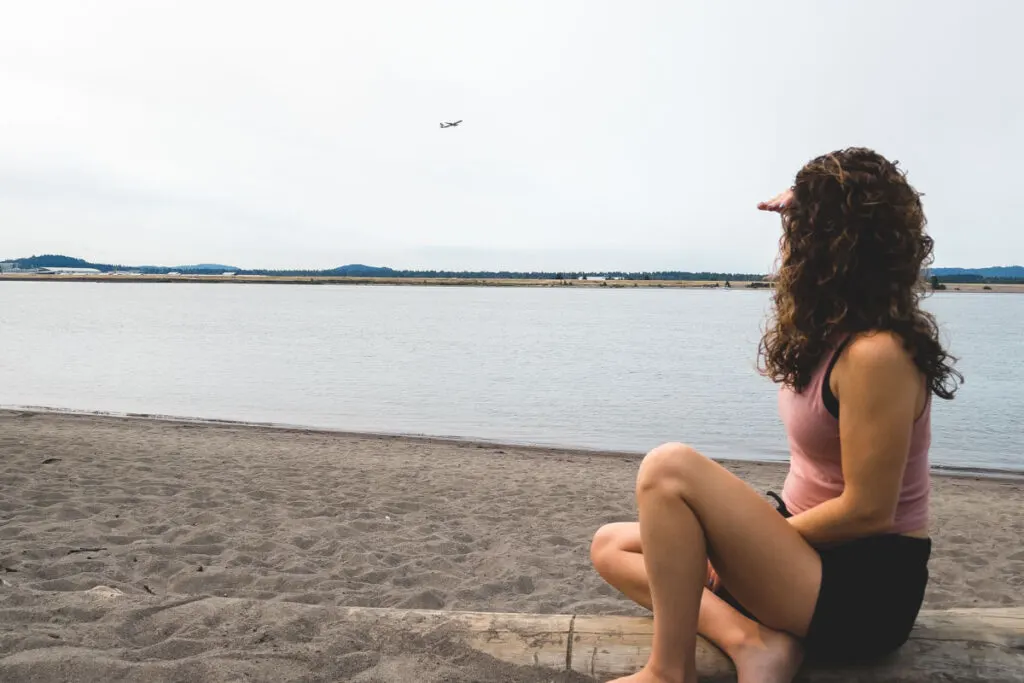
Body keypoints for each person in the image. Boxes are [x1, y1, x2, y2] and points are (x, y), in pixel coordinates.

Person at [589, 147, 962, 683]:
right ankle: (755, 644)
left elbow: (868, 512)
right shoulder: (831, 334)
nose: (786, 244)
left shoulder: (877, 354)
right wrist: (811, 195)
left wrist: (730, 552)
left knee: (669, 469)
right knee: (612, 544)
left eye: (798, 229)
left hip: (861, 586)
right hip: (803, 550)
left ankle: (668, 672)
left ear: (829, 244)